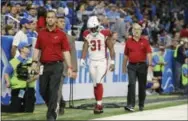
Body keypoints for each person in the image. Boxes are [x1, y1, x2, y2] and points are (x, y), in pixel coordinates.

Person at [32, 10, 72, 121]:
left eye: (52, 17)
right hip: (44, 65)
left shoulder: (61, 34)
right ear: (46, 19)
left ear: (55, 19)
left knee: (53, 90)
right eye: (48, 17)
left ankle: (51, 116)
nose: (50, 19)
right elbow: (37, 49)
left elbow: (66, 51)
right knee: (42, 90)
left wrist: (69, 67)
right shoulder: (41, 34)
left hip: (57, 65)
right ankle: (56, 106)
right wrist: (34, 62)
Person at [80, 16, 115, 114]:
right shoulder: (87, 34)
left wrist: (112, 62)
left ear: (98, 26)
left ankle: (99, 104)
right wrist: (82, 58)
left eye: (94, 28)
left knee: (99, 82)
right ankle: (98, 103)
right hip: (92, 61)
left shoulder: (104, 34)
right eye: (91, 28)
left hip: (102, 61)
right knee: (95, 84)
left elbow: (111, 48)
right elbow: (85, 45)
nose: (92, 30)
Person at [123, 23, 152, 112]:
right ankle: (130, 104)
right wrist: (123, 66)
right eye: (135, 29)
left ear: (141, 31)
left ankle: (141, 104)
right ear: (132, 31)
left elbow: (149, 54)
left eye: (138, 29)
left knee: (142, 86)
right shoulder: (128, 41)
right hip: (131, 66)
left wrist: (150, 65)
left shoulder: (145, 41)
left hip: (142, 66)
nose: (136, 31)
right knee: (131, 84)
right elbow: (126, 55)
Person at [2, 41, 38, 113]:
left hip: (29, 89)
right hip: (19, 89)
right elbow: (6, 73)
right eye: (27, 47)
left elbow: (37, 74)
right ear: (21, 49)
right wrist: (8, 82)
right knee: (15, 109)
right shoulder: (14, 61)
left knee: (29, 110)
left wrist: (31, 79)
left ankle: (22, 106)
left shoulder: (31, 61)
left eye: (29, 47)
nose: (29, 48)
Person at [57, 14, 78, 114]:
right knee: (49, 88)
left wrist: (74, 70)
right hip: (49, 64)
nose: (63, 23)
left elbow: (73, 54)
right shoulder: (48, 35)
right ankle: (61, 102)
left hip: (62, 66)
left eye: (64, 21)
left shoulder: (69, 38)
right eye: (61, 21)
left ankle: (55, 109)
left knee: (58, 87)